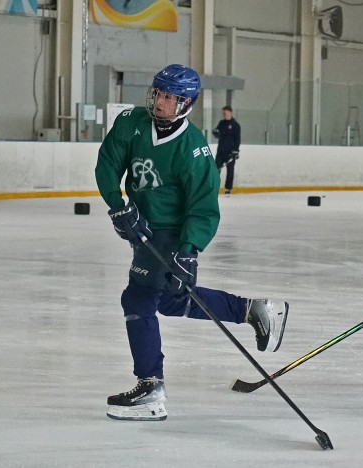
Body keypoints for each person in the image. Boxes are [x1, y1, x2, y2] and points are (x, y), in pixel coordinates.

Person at [95, 64, 289, 421]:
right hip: (145, 227)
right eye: (160, 94)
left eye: (172, 97)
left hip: (172, 231)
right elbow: (108, 163)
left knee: (137, 298)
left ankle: (150, 388)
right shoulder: (131, 122)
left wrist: (189, 251)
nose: (162, 103)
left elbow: (203, 207)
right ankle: (253, 310)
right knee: (169, 300)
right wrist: (119, 204)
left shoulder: (193, 147)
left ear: (186, 104)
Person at [213, 105, 241, 196]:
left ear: (230, 112)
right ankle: (214, 187)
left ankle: (228, 189)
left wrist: (236, 150)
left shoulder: (235, 125)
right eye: (223, 113)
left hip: (230, 153)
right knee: (216, 170)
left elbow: (237, 139)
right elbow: (218, 133)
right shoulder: (221, 123)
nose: (224, 114)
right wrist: (216, 133)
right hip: (221, 151)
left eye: (225, 112)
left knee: (230, 171)